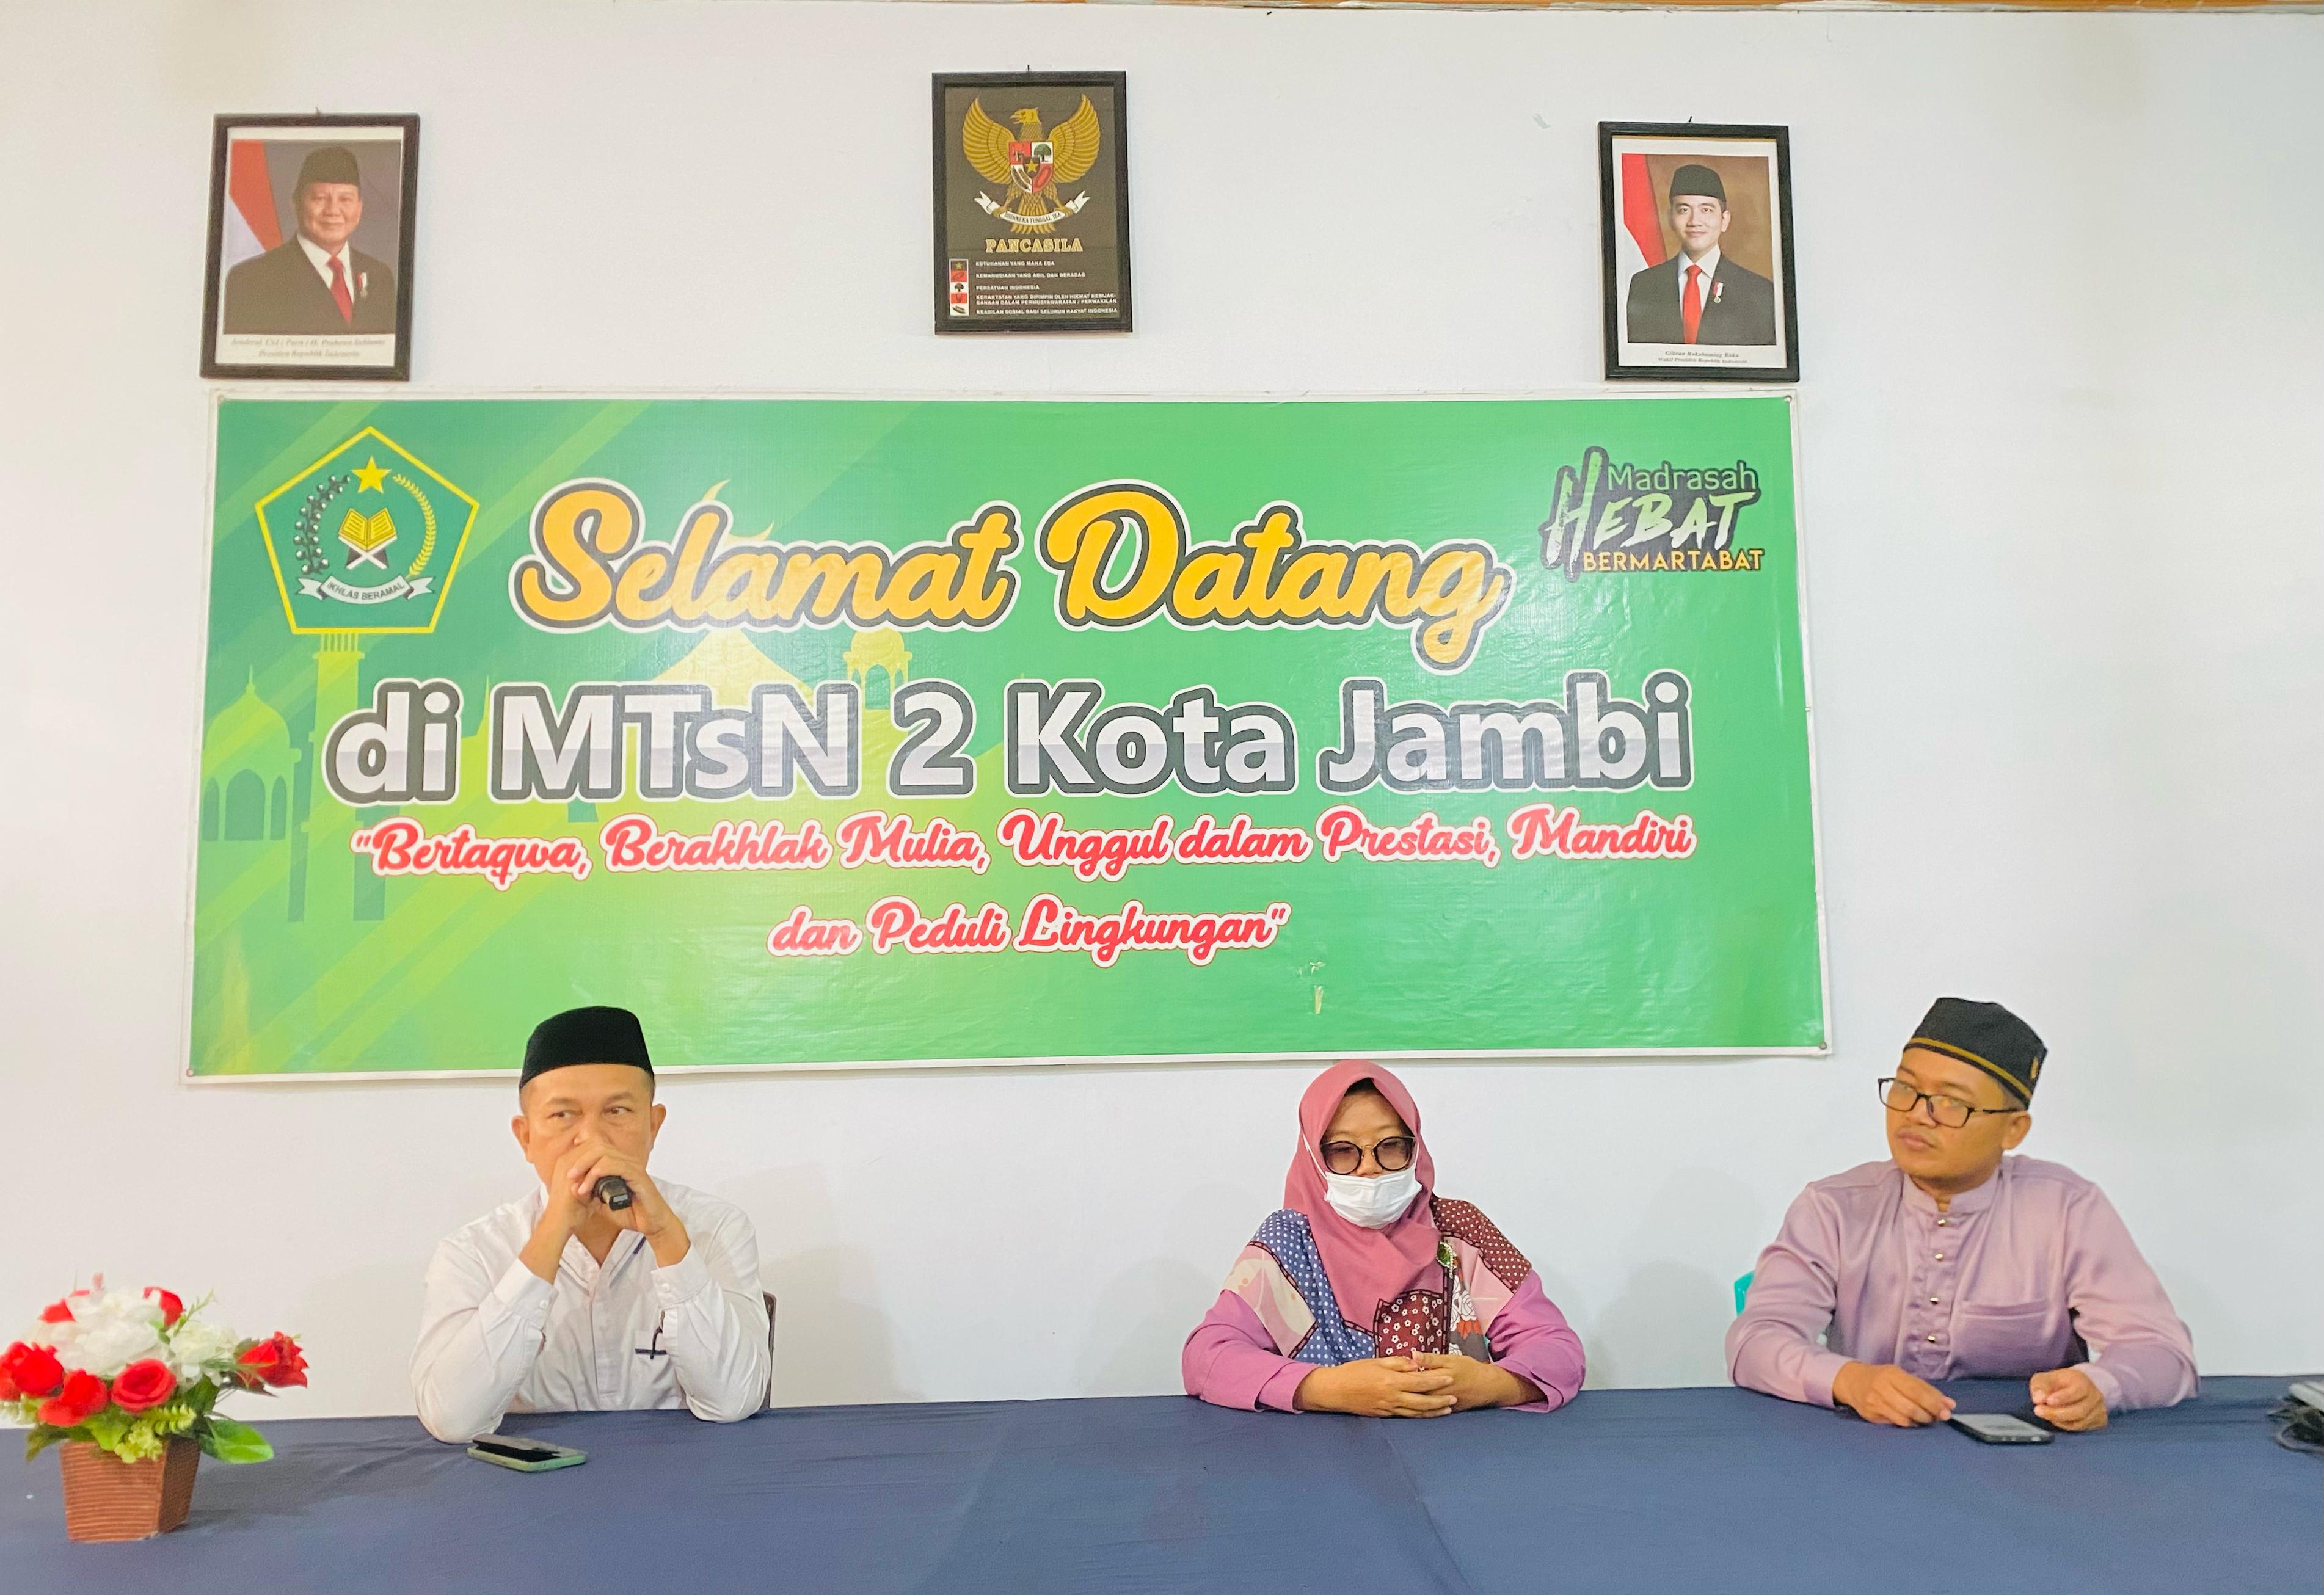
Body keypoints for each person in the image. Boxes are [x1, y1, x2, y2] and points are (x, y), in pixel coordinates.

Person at [1727, 998, 2196, 1431]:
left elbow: (2163, 1353)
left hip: (2028, 1465)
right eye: (1905, 1088)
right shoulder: (1833, 1208)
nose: (1917, 1115)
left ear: (2013, 1130)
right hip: (1868, 1448)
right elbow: (1755, 1339)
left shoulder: (2066, 1209)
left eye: (1951, 1102)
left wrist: (2100, 1387)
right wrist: (1849, 1381)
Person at [410, 1006, 770, 1441]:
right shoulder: (473, 1252)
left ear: (653, 1126)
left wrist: (665, 1237)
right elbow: (453, 1421)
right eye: (563, 1115)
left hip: (679, 1469)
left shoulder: (716, 1228)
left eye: (617, 1111)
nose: (592, 1139)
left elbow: (734, 1401)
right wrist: (552, 1232)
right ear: (526, 1137)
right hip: (535, 1474)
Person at [1184, 1061, 1584, 1417]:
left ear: (1416, 1147)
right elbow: (1205, 1358)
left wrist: (1491, 1385)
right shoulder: (1288, 1244)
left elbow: (1558, 1348)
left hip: (1458, 1454)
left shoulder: (1462, 1231)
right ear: (1313, 1158)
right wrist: (1326, 1389)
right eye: (1343, 1151)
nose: (1369, 1169)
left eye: (1391, 1146)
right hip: (1319, 1459)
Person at [221, 146, 398, 335]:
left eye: (345, 200)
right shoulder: (252, 280)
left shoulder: (379, 277)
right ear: (296, 203)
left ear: (359, 208)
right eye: (320, 199)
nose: (333, 211)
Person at [1623, 163, 1777, 347]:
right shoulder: (1645, 285)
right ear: (1670, 217)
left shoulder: (1759, 292)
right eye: (1684, 210)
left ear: (1725, 220)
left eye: (1706, 210)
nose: (1695, 221)